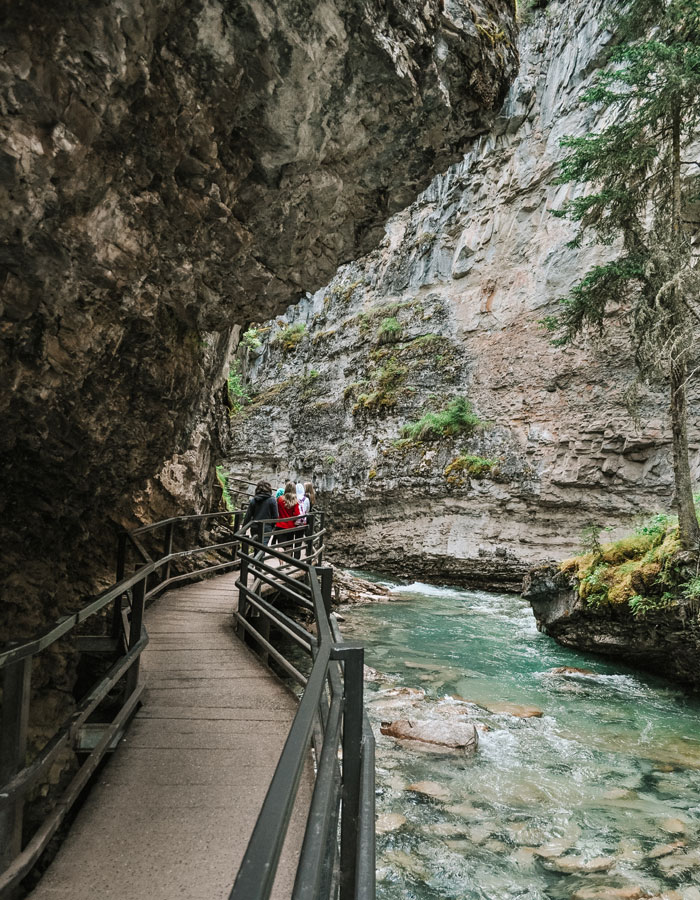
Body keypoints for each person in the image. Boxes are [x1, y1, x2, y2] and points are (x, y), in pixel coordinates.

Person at [242, 481, 278, 545]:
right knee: (262, 548)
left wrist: (243, 530)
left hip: (255, 527)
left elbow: (248, 516)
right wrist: (271, 526)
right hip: (266, 527)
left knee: (256, 546)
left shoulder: (254, 500)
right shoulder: (272, 500)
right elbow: (275, 516)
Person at [275, 481, 301, 558]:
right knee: (289, 545)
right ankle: (288, 561)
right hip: (290, 526)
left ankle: (281, 563)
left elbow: (276, 511)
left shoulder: (279, 499)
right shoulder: (295, 501)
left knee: (281, 545)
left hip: (280, 524)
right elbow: (297, 514)